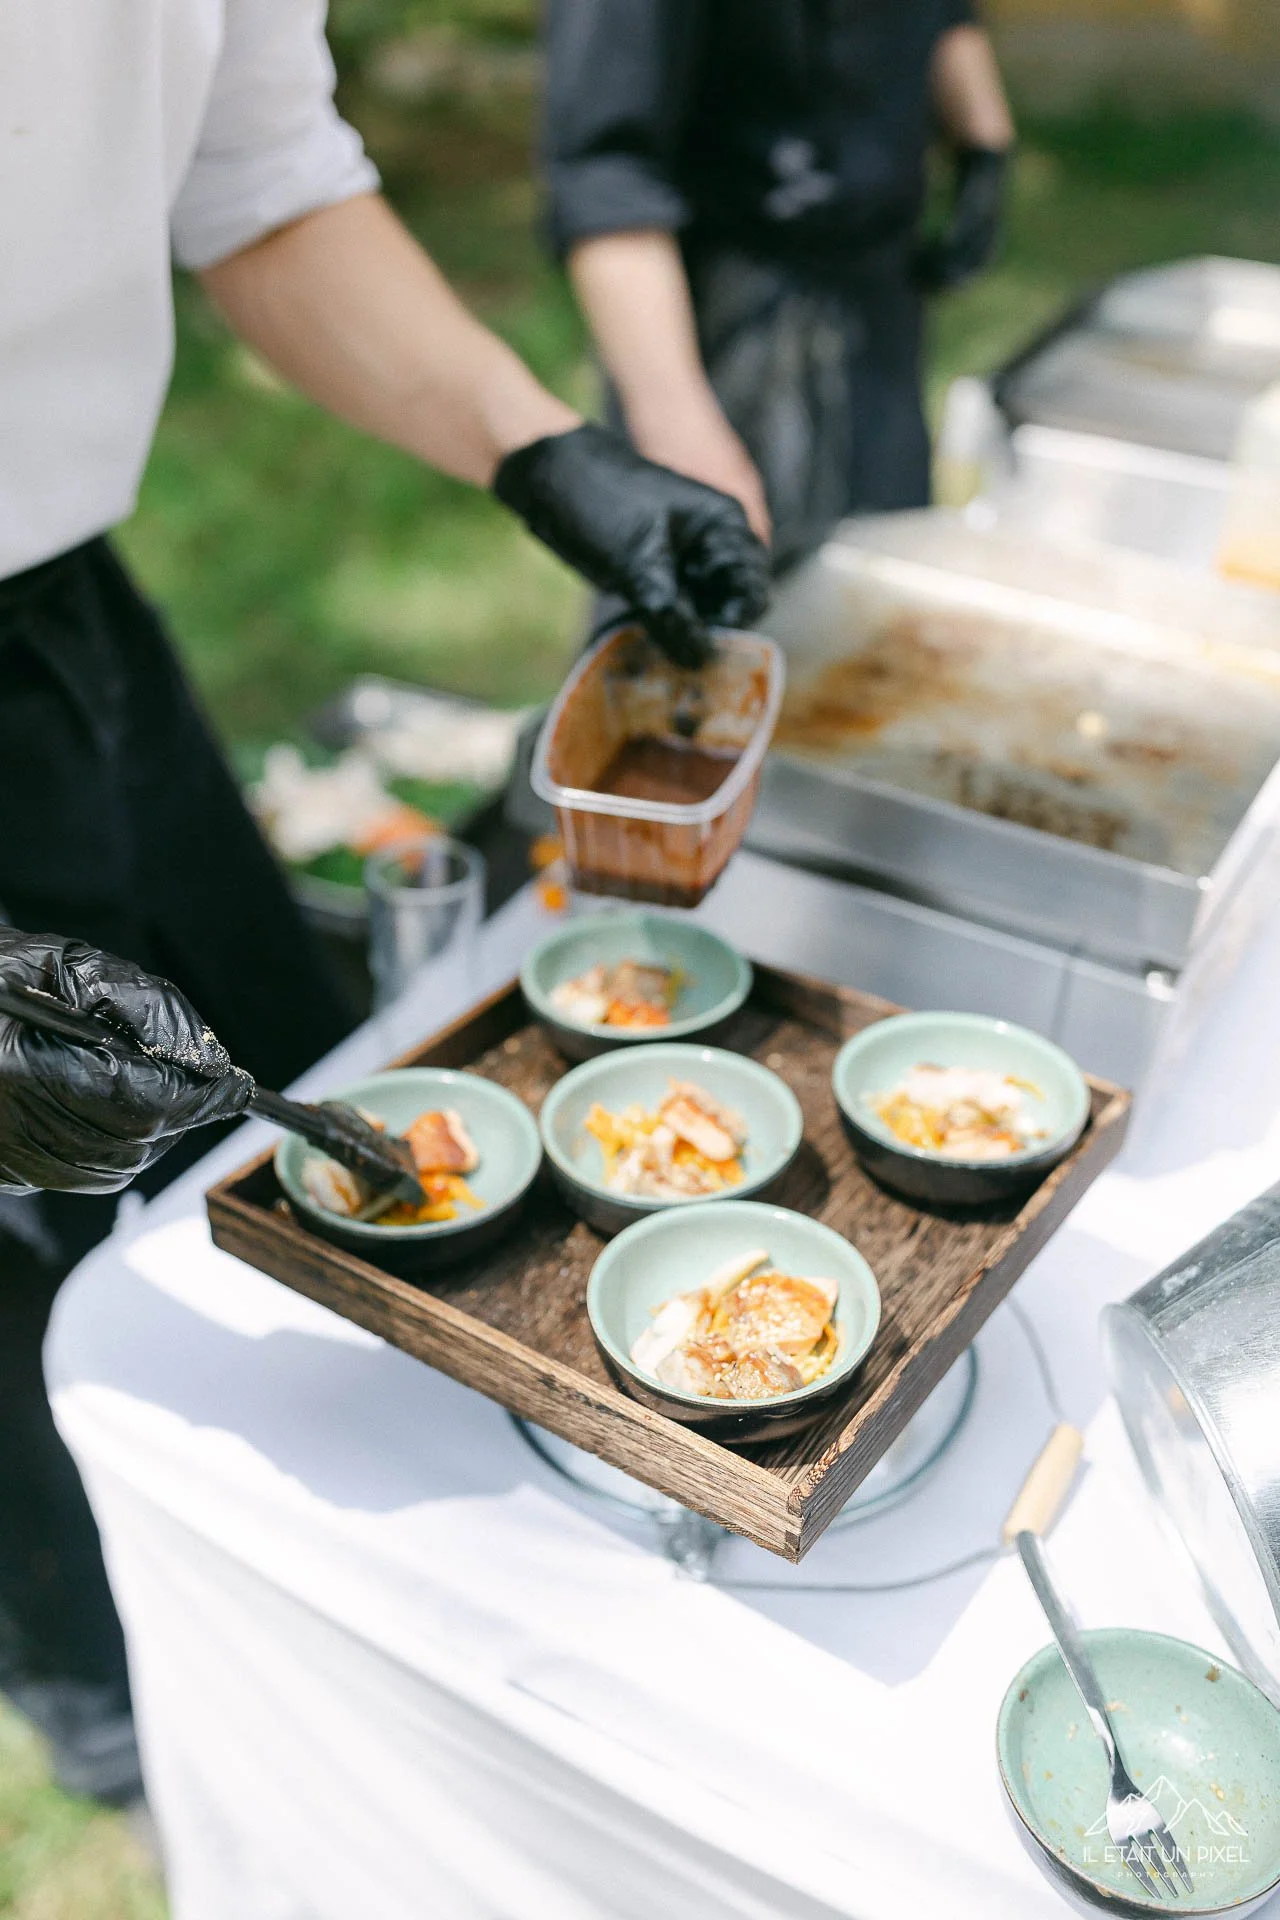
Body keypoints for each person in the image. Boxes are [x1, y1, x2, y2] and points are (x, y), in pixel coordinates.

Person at [1, 0, 767, 1802]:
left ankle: (350, 1630)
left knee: (289, 1084)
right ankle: (97, 1678)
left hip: (57, 600)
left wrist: (543, 449)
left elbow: (259, 181)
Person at [543, 0, 1016, 569]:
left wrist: (982, 134)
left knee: (879, 592)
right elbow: (605, 173)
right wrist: (678, 432)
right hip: (725, 318)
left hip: (878, 293)